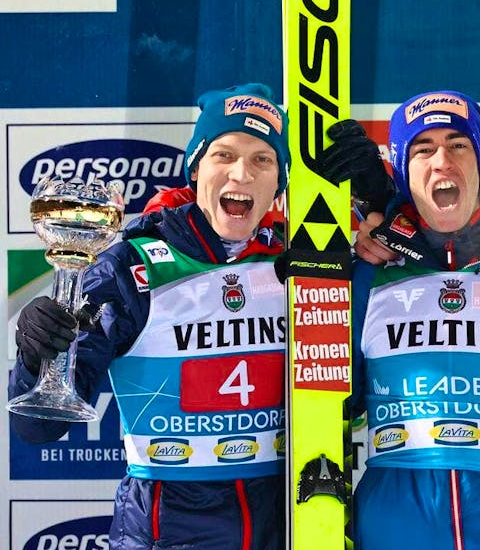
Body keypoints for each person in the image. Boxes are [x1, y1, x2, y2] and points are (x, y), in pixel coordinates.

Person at [10, 83, 290, 550]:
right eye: (224, 155)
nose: (241, 173)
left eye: (263, 159)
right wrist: (37, 353)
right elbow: (38, 427)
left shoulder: (296, 266)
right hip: (164, 535)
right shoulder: (129, 269)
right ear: (196, 168)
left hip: (280, 532)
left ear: (279, 182)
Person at [323, 90, 480, 550]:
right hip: (395, 521)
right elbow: (338, 402)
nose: (442, 160)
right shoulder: (370, 270)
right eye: (423, 149)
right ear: (405, 171)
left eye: (459, 144)